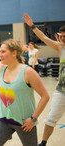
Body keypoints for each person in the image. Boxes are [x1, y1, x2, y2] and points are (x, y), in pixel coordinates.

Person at [0, 18, 50, 145]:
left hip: (24, 122)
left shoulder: (27, 72)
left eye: (3, 52)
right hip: (3, 119)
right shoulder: (0, 67)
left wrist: (33, 119)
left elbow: (45, 96)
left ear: (14, 53)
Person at [23, 13, 65, 146]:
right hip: (61, 90)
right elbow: (44, 38)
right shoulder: (60, 47)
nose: (63, 39)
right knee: (51, 118)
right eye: (61, 36)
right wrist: (32, 26)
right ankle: (43, 143)